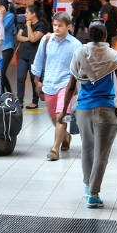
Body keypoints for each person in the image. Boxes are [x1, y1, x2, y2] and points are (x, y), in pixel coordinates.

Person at [62, 22, 117, 208]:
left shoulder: (80, 54)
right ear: (106, 35)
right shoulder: (114, 57)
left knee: (87, 150)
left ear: (89, 35)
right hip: (105, 110)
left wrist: (65, 110)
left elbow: (71, 86)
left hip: (83, 110)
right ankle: (93, 194)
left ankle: (86, 186)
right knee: (101, 155)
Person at [31, 12, 82, 161]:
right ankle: (65, 137)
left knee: (62, 115)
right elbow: (39, 61)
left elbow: (79, 68)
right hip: (49, 83)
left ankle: (55, 149)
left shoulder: (76, 45)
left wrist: (76, 85)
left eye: (60, 26)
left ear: (68, 27)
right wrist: (37, 81)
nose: (57, 28)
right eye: (55, 25)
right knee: (54, 117)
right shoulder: (46, 40)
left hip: (66, 84)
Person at [16, 4, 47, 109]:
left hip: (34, 56)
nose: (25, 15)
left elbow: (34, 39)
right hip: (23, 54)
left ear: (33, 14)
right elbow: (19, 37)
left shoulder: (41, 25)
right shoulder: (24, 23)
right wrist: (29, 37)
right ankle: (20, 100)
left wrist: (29, 26)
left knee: (35, 79)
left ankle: (35, 101)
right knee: (20, 78)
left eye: (27, 13)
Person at [0, 0, 16, 94]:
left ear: (2, 7)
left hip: (7, 47)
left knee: (2, 73)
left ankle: (9, 94)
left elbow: (1, 29)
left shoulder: (10, 16)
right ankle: (2, 95)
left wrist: (1, 15)